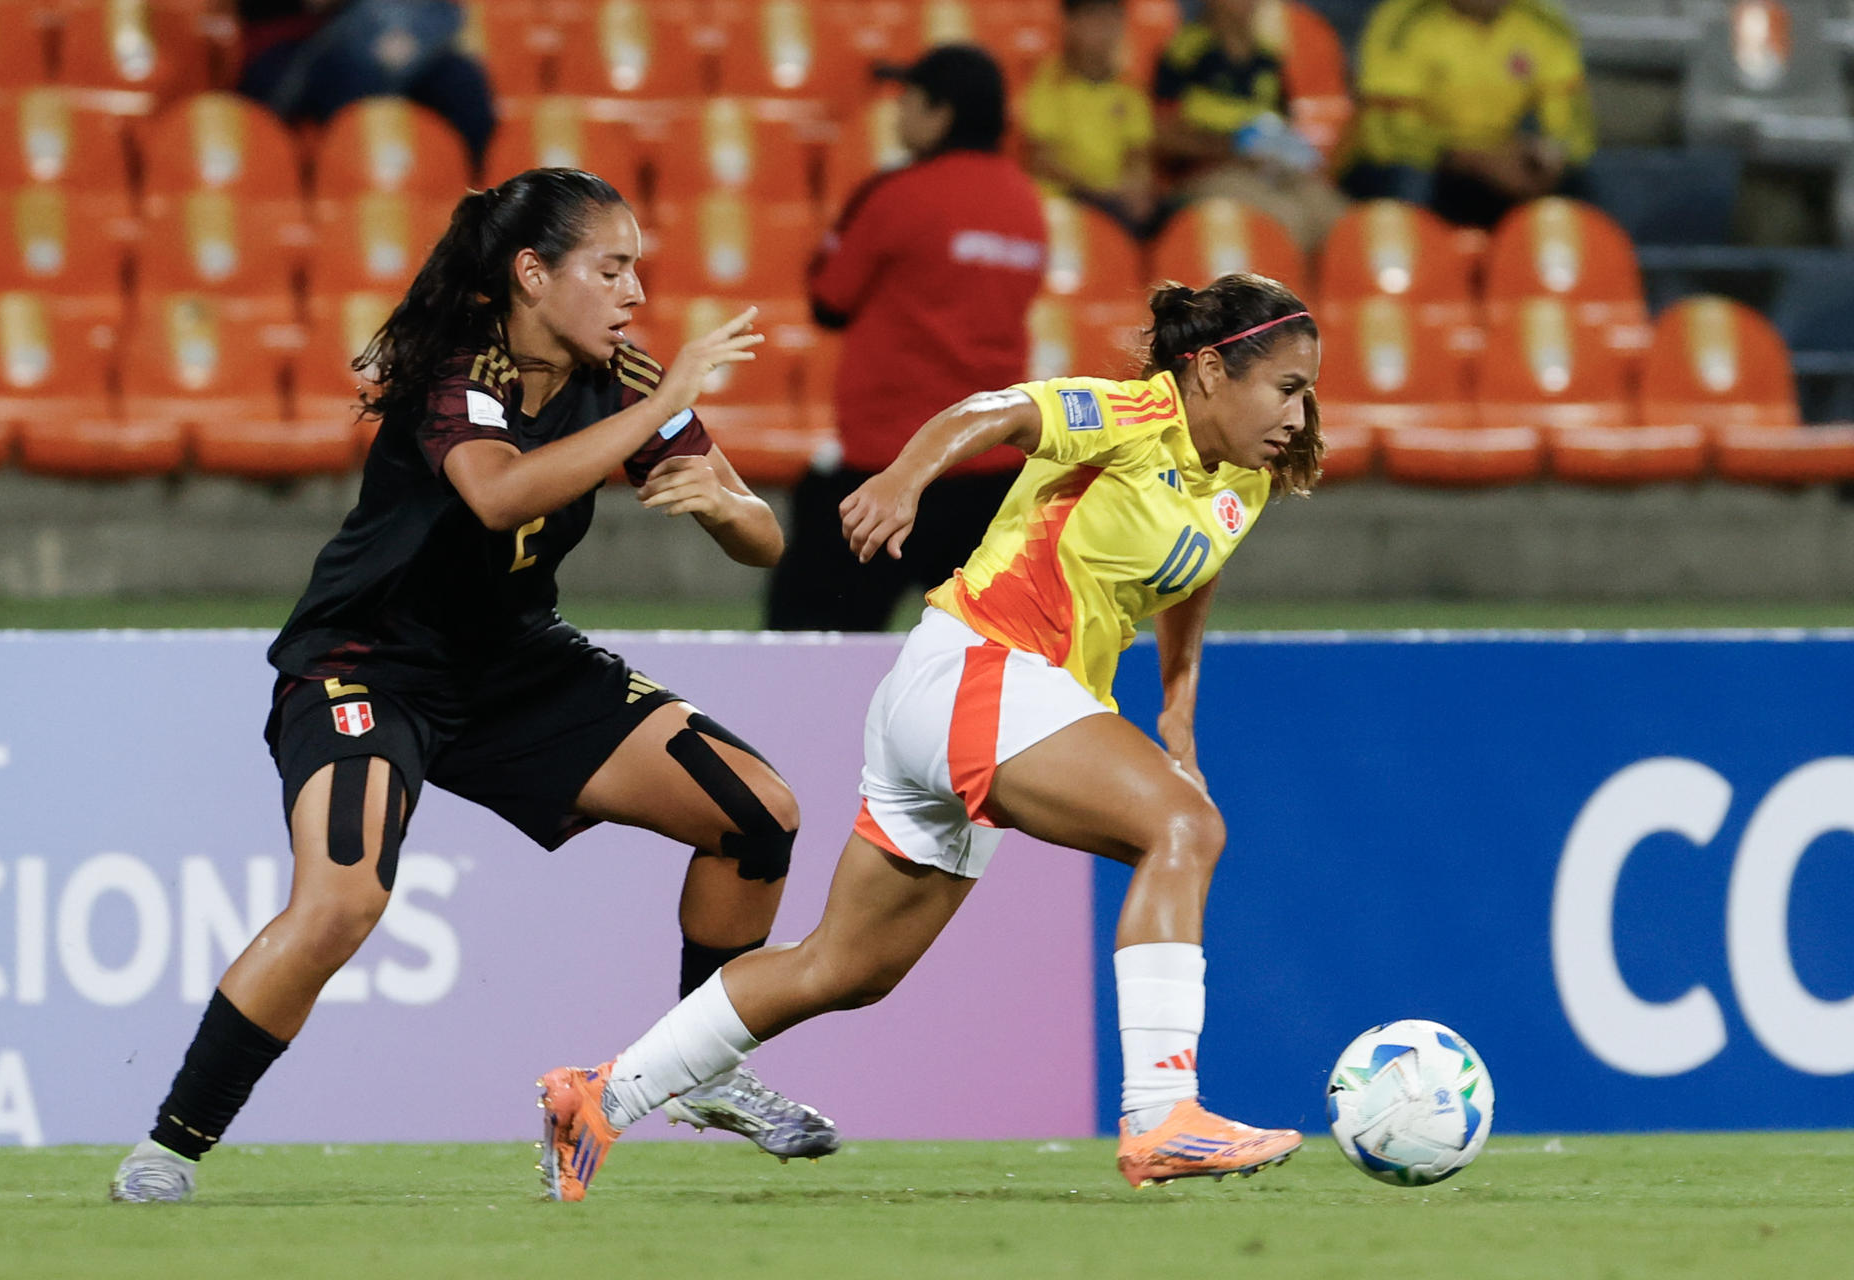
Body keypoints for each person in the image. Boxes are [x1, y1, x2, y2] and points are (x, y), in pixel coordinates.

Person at [110, 168, 838, 1204]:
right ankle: (168, 1147)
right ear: (533, 274)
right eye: (611, 267)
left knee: (756, 812)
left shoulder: (625, 377)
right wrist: (667, 404)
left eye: (639, 269)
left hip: (513, 664)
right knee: (342, 898)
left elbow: (763, 535)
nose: (634, 292)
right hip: (367, 665)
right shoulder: (459, 373)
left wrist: (721, 509)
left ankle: (702, 1068)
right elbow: (498, 495)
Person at [536, 272, 1325, 1201]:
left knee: (846, 968)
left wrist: (1179, 706)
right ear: (1206, 372)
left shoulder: (1244, 477)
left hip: (969, 701)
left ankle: (595, 1096)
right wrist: (904, 479)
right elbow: (991, 412)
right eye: (1286, 388)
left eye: (1310, 389)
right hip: (984, 671)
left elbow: (1191, 569)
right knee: (1186, 829)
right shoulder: (1131, 412)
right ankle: (1163, 1116)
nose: (1302, 412)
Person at [764, 44, 1047, 633]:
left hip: (886, 468)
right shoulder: (1027, 204)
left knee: (811, 643)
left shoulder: (897, 194)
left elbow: (829, 300)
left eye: (909, 101)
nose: (896, 115)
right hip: (992, 471)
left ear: (940, 113)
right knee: (987, 656)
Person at [1344, 0, 1594, 228]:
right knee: (1408, 181)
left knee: (1580, 192)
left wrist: (1550, 157)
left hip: (1505, 162)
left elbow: (1573, 125)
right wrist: (1472, 159)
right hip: (1428, 161)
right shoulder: (1405, 18)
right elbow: (1387, 133)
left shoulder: (1543, 21)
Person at [1151, 0, 1348, 252]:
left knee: (1337, 220)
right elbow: (1163, 134)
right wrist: (1232, 147)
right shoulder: (1183, 52)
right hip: (1208, 172)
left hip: (1269, 170)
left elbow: (1282, 126)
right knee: (1286, 223)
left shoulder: (1268, 58)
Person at [236, 0, 497, 167]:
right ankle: (351, 191)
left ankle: (481, 189)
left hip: (375, 30)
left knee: (461, 78)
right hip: (293, 44)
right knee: (357, 75)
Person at [1019, 0, 1159, 237]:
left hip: (1115, 201)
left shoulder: (1131, 90)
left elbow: (1138, 157)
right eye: (1094, 17)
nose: (1105, 28)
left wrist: (1134, 189)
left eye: (1113, 18)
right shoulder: (1049, 80)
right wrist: (1098, 190)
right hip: (1063, 198)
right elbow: (1042, 159)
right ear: (1071, 24)